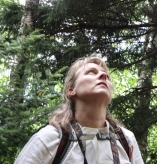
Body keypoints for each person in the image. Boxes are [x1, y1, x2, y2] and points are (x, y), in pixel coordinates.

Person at [15, 56, 144, 164]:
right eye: (92, 72)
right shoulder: (52, 137)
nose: (104, 75)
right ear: (71, 90)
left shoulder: (126, 139)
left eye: (107, 77)